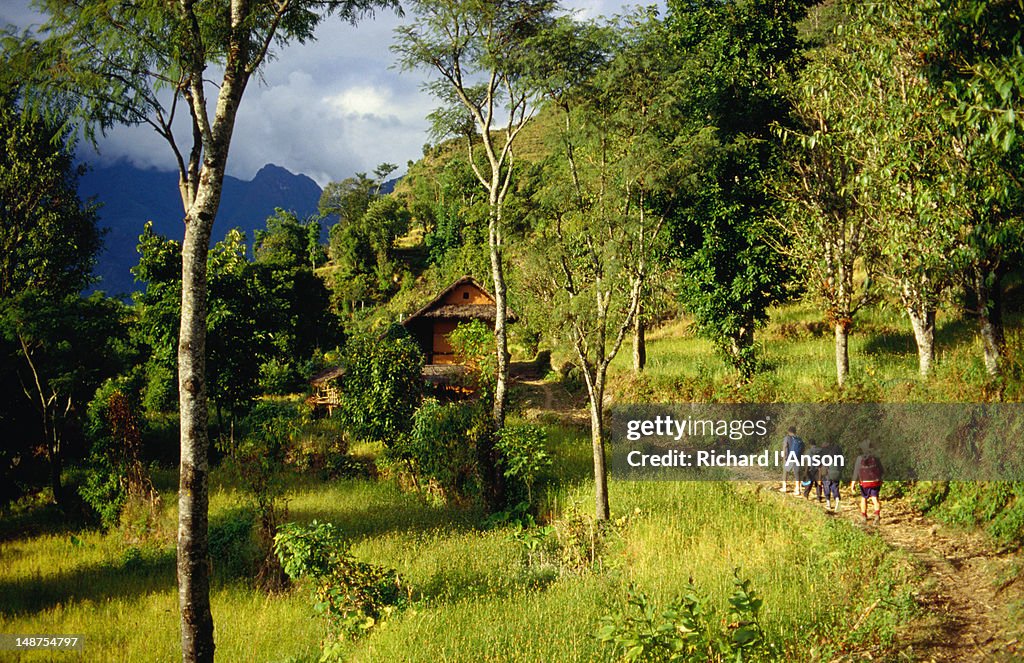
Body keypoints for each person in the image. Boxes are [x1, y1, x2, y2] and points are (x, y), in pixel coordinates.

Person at [850, 441, 883, 524]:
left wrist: (853, 483)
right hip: (875, 482)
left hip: (864, 482)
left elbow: (856, 471)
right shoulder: (876, 458)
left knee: (864, 498)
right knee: (875, 498)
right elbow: (881, 470)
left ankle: (864, 516)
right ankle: (877, 516)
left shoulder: (860, 458)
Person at [820, 439, 844, 512]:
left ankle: (828, 503)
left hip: (828, 473)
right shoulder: (839, 454)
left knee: (826, 486)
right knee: (835, 487)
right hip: (837, 473)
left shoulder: (826, 454)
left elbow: (823, 466)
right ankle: (837, 500)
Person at [780, 426, 804, 495]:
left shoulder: (787, 438)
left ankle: (784, 487)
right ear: (795, 431)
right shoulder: (799, 439)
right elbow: (802, 449)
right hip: (797, 458)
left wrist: (783, 456)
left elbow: (785, 447)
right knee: (797, 473)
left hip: (789, 458)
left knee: (785, 471)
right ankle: (798, 489)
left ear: (789, 431)